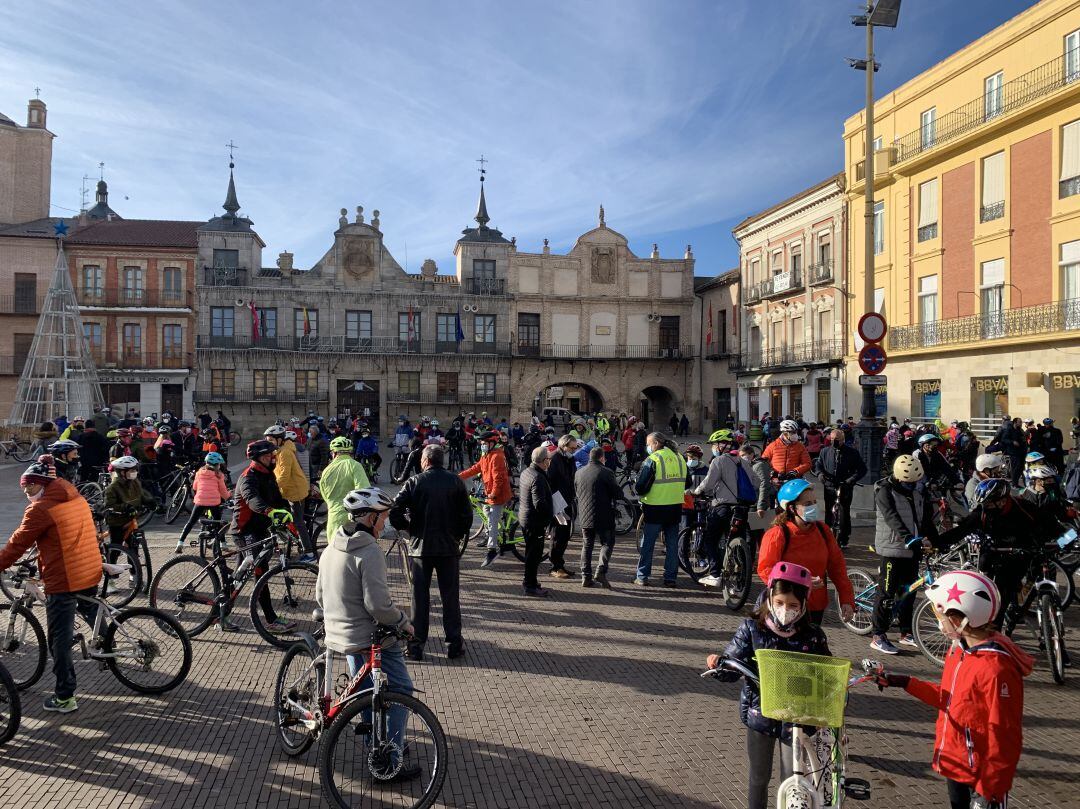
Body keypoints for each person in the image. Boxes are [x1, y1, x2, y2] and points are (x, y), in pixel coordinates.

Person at [873, 570, 1031, 809]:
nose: (939, 622)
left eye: (940, 616)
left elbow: (1005, 736)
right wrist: (903, 681)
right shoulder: (959, 650)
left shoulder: (997, 670)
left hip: (982, 774)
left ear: (958, 621)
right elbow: (949, 698)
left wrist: (989, 789)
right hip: (956, 757)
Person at [705, 562, 832, 809]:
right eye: (780, 603)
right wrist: (719, 665)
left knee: (792, 779)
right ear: (770, 598)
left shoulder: (813, 635)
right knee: (758, 777)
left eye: (794, 605)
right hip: (759, 714)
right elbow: (733, 666)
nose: (786, 610)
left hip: (796, 719)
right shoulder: (752, 628)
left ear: (804, 605)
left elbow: (825, 674)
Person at [315, 487, 420, 782]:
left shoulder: (332, 545)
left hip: (340, 636)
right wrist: (403, 622)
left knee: (363, 693)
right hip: (369, 638)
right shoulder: (370, 551)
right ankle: (390, 760)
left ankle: (374, 745)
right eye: (384, 516)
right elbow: (378, 605)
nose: (386, 522)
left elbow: (320, 595)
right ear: (372, 518)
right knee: (400, 691)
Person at [0, 462, 103, 713]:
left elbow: (17, 543)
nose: (27, 491)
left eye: (31, 485)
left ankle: (65, 696)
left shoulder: (40, 510)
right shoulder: (74, 496)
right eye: (24, 487)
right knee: (91, 610)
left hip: (64, 578)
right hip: (88, 567)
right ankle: (106, 644)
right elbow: (61, 533)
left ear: (44, 484)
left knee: (58, 638)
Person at [940, 478, 1062, 628]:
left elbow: (1055, 526)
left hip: (1026, 551)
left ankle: (1022, 608)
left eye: (989, 503)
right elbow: (961, 530)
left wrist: (1066, 541)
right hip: (997, 555)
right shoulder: (983, 512)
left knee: (1022, 583)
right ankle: (995, 630)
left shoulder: (1023, 507)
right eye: (983, 504)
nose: (986, 507)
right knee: (999, 597)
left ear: (1002, 500)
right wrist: (935, 543)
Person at [390, 444, 472, 660]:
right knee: (450, 598)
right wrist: (457, 535)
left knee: (419, 598)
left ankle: (416, 647)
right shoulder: (456, 481)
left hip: (421, 549)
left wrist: (409, 529)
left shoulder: (415, 482)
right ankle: (454, 644)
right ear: (441, 460)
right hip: (448, 548)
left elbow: (395, 510)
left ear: (425, 461)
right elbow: (467, 516)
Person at [756, 479, 854, 625]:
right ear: (791, 508)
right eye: (807, 504)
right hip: (786, 607)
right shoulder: (777, 534)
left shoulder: (823, 531)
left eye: (814, 502)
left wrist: (846, 599)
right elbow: (766, 570)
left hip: (815, 607)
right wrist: (799, 581)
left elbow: (837, 566)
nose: (814, 507)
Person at [870, 454, 939, 655]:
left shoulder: (917, 491)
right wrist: (908, 537)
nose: (913, 486)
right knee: (887, 593)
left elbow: (924, 518)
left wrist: (934, 540)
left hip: (912, 550)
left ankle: (906, 632)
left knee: (909, 591)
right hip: (893, 548)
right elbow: (892, 517)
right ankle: (878, 635)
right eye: (909, 483)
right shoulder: (884, 491)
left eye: (916, 482)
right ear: (899, 478)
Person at [228, 439, 297, 634]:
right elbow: (252, 501)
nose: (272, 458)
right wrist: (270, 511)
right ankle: (270, 620)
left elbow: (277, 497)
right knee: (260, 571)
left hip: (260, 529)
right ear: (257, 459)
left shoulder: (268, 475)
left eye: (272, 455)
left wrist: (286, 511)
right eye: (268, 456)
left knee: (241, 575)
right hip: (245, 531)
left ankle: (221, 609)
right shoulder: (247, 478)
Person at [692, 429, 760, 588]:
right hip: (742, 508)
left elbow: (708, 483)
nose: (713, 448)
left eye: (714, 445)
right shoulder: (743, 461)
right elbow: (756, 482)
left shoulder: (719, 461)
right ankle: (741, 581)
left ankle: (715, 574)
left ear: (722, 445)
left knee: (710, 540)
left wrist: (697, 491)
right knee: (738, 541)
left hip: (723, 508)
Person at [634, 432, 688, 587]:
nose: (647, 447)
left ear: (656, 443)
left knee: (648, 544)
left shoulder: (653, 459)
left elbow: (641, 486)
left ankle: (642, 576)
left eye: (648, 444)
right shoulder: (679, 458)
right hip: (675, 507)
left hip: (655, 508)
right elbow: (688, 481)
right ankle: (670, 578)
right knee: (672, 545)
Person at [459, 430, 513, 569]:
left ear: (492, 443)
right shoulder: (486, 455)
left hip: (498, 494)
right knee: (486, 512)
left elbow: (498, 478)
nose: (481, 445)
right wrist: (458, 476)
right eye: (481, 443)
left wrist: (494, 494)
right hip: (490, 493)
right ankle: (497, 537)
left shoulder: (497, 457)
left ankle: (492, 551)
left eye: (483, 443)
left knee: (492, 521)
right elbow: (475, 468)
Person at [575, 446, 624, 588]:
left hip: (585, 516)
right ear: (602, 458)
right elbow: (618, 494)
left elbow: (577, 492)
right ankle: (601, 571)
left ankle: (585, 575)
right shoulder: (606, 472)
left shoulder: (579, 472)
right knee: (607, 543)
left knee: (587, 545)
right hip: (604, 515)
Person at [265, 426, 315, 561]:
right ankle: (290, 538)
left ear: (279, 439)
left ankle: (309, 553)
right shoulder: (280, 450)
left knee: (299, 522)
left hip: (295, 491)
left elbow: (284, 476)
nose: (268, 442)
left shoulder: (285, 452)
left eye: (270, 440)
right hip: (290, 489)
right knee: (287, 517)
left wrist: (273, 490)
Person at [814, 428, 867, 548]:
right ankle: (828, 536)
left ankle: (844, 538)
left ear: (843, 440)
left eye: (837, 440)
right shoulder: (825, 451)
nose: (834, 442)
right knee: (829, 511)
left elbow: (862, 470)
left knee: (845, 511)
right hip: (829, 486)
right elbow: (818, 465)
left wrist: (851, 480)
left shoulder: (852, 452)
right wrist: (820, 474)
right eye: (832, 439)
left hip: (845, 486)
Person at [175, 451, 230, 553]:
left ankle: (180, 542)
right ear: (217, 465)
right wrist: (229, 497)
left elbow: (195, 487)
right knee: (218, 523)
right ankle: (223, 545)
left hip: (200, 501)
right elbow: (223, 492)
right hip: (214, 502)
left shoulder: (199, 473)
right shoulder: (219, 475)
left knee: (190, 522)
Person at [103, 455, 158, 556]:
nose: (135, 472)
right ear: (122, 472)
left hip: (131, 518)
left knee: (134, 545)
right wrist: (126, 507)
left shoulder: (134, 482)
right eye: (131, 470)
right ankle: (111, 568)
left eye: (135, 469)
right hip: (117, 521)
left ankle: (134, 568)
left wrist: (150, 501)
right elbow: (109, 505)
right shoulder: (112, 488)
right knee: (116, 547)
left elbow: (141, 495)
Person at [319, 436, 370, 543]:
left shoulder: (327, 470)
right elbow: (364, 491)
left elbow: (324, 495)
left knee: (335, 553)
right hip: (352, 519)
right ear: (350, 452)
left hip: (334, 517)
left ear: (334, 453)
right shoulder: (355, 466)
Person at [518, 446, 554, 597]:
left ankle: (530, 580)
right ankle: (530, 585)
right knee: (534, 555)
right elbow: (539, 503)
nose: (550, 462)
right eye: (549, 459)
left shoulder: (527, 471)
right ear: (544, 461)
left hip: (526, 519)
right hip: (534, 522)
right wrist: (552, 513)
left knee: (530, 553)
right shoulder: (538, 477)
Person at [544, 434, 579, 578]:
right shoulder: (554, 459)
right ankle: (555, 566)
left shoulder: (569, 459)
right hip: (558, 502)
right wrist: (555, 504)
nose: (573, 450)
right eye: (571, 448)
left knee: (565, 535)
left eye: (575, 448)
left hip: (568, 500)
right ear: (563, 446)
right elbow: (550, 483)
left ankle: (560, 564)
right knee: (557, 535)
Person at [760, 419, 812, 485]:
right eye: (793, 432)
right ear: (785, 433)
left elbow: (808, 463)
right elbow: (763, 462)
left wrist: (795, 471)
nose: (795, 434)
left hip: (794, 481)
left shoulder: (800, 446)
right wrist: (772, 473)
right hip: (776, 482)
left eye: (796, 432)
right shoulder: (773, 445)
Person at [738, 443, 773, 520]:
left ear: (752, 454)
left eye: (743, 455)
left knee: (754, 526)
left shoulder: (759, 465)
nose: (742, 458)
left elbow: (764, 484)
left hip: (757, 503)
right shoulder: (749, 464)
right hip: (751, 500)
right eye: (740, 456)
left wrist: (761, 506)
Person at [990, 417, 1026, 486]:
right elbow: (1004, 439)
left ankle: (1017, 483)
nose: (1021, 423)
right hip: (1013, 452)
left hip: (1021, 452)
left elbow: (1023, 439)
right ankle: (1014, 483)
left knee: (1021, 468)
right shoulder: (1009, 430)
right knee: (1016, 468)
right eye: (1020, 422)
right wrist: (1012, 442)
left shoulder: (1020, 430)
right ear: (1015, 423)